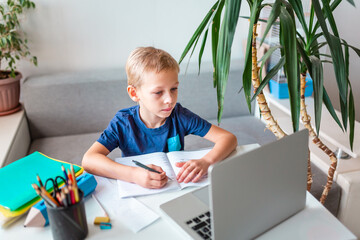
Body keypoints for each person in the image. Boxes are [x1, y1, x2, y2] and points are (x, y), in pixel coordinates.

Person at [82, 47, 237, 189]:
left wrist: (207, 161)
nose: (170, 99)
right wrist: (134, 175)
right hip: (139, 191)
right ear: (134, 93)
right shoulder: (123, 122)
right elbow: (89, 160)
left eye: (174, 89)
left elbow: (228, 138)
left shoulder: (180, 115)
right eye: (158, 92)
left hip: (176, 189)